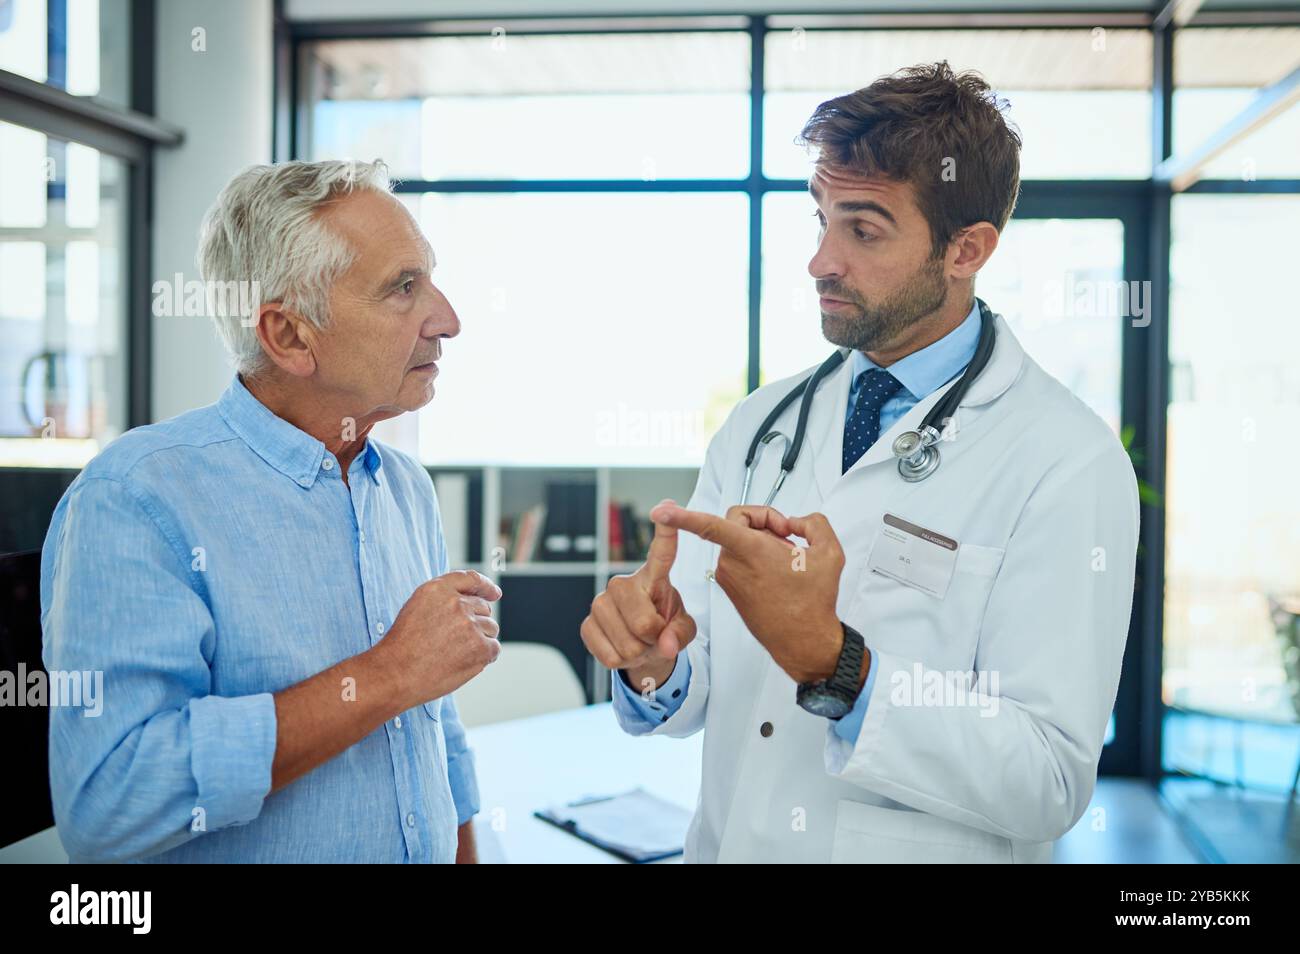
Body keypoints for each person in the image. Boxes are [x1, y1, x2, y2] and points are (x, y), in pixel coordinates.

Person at [580, 62, 1139, 863]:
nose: (820, 261)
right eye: (821, 218)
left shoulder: (1066, 459)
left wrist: (839, 667)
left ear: (966, 250)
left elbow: (1048, 780)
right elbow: (696, 688)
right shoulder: (759, 426)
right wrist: (652, 665)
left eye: (863, 229)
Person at [41, 159, 500, 862]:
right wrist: (385, 675)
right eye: (403, 289)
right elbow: (110, 804)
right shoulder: (136, 499)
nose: (448, 319)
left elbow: (436, 728)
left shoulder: (402, 485)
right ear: (289, 336)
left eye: (429, 278)